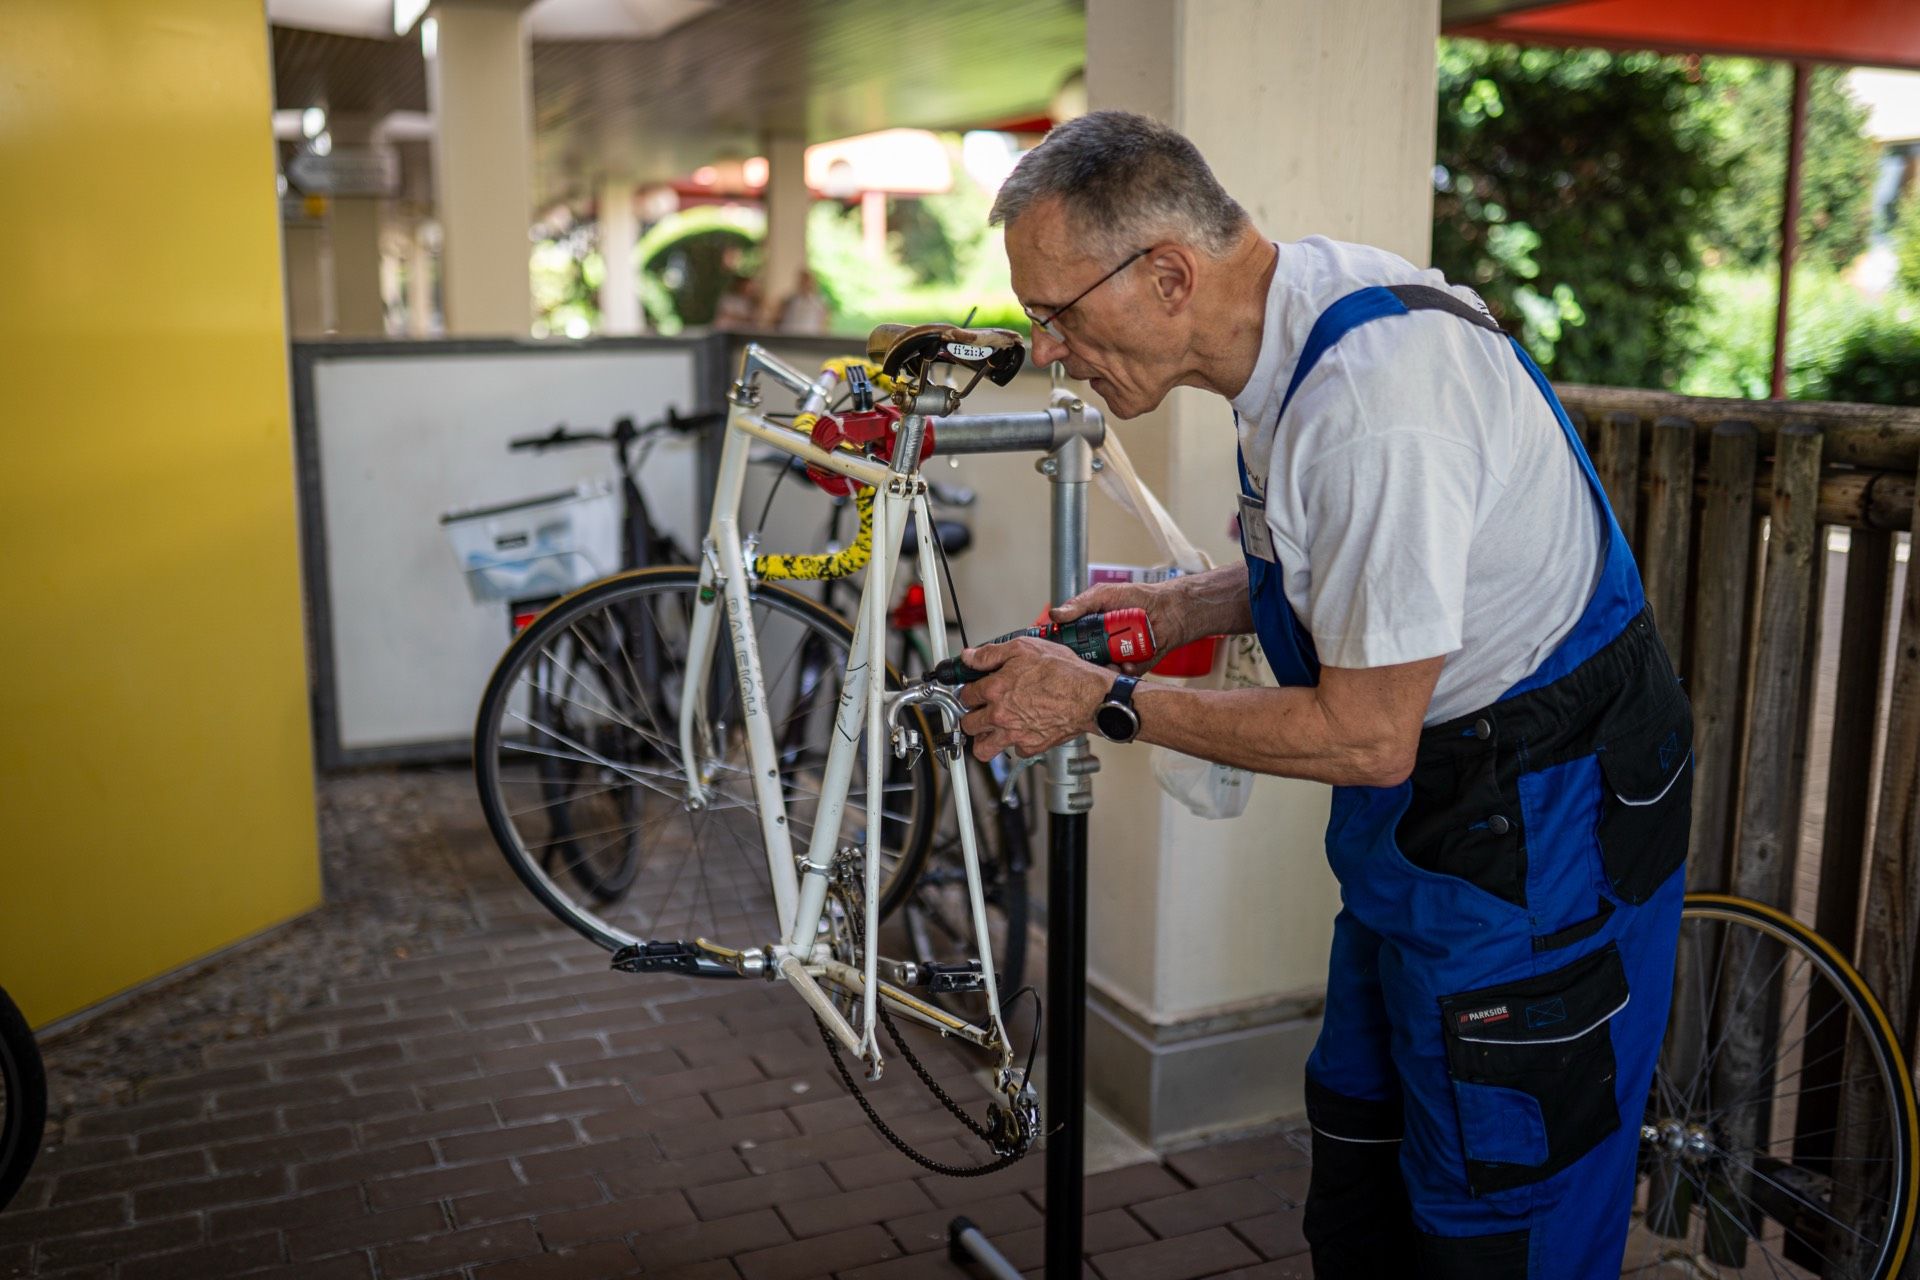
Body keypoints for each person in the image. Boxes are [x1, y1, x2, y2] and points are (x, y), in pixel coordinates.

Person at [958, 110, 1692, 1280]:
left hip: (1542, 821)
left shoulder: (1372, 408)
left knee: (1500, 1218)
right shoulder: (1292, 330)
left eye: (1055, 315)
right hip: (1426, 822)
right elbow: (1361, 577)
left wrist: (1104, 697)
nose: (1047, 349)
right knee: (1360, 1154)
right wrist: (1188, 604)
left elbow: (1364, 730)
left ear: (1166, 276)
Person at [775, 268, 831, 334]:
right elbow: (777, 319)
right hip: (789, 337)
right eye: (802, 281)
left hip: (809, 338)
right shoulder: (788, 300)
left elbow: (824, 324)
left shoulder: (820, 303)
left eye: (807, 281)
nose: (805, 284)